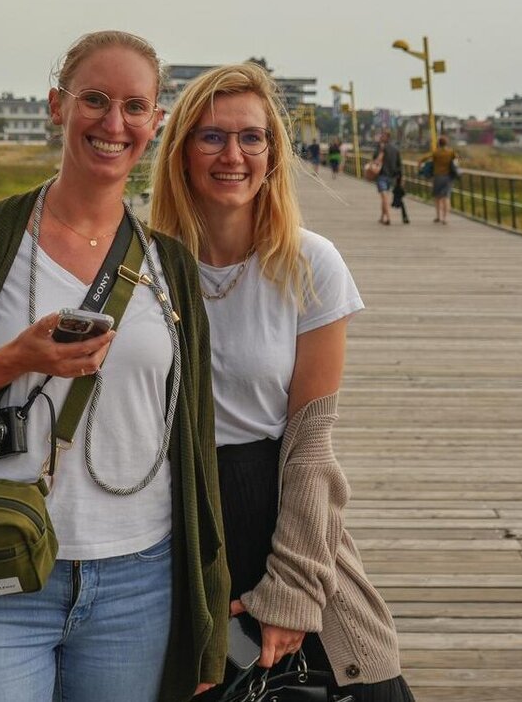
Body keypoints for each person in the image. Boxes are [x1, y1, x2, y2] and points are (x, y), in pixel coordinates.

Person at [0, 30, 229, 702]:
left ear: (156, 124)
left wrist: (208, 616)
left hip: (140, 580)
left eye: (135, 107)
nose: (113, 123)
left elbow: (197, 441)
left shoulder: (171, 267)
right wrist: (12, 360)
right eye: (94, 100)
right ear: (56, 106)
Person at [150, 64, 413, 702]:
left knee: (352, 680)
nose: (233, 155)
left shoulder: (309, 263)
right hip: (168, 525)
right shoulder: (144, 266)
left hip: (276, 511)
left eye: (252, 138)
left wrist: (293, 590)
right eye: (211, 138)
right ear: (182, 151)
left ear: (272, 154)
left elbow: (311, 443)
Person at [419, 134, 456, 224]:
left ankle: (438, 216)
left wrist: (420, 165)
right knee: (446, 197)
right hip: (448, 177)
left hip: (438, 177)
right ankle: (445, 218)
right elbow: (457, 160)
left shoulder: (436, 152)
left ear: (439, 144)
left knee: (437, 197)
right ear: (446, 143)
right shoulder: (451, 152)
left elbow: (424, 159)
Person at [372, 130, 402, 225]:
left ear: (386, 137)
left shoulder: (380, 149)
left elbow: (375, 161)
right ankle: (382, 217)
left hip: (382, 175)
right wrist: (400, 177)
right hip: (391, 176)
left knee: (384, 198)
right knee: (385, 197)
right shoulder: (396, 149)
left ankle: (388, 218)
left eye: (382, 136)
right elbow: (399, 165)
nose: (381, 137)